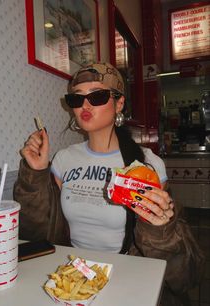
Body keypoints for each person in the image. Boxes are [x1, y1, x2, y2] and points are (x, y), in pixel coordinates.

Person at [14, 62, 204, 306]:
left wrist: (159, 227)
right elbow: (35, 232)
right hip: (76, 276)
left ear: (119, 103)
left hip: (128, 274)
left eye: (97, 96)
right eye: (77, 98)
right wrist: (36, 172)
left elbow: (185, 273)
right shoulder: (64, 159)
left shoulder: (145, 164)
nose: (85, 105)